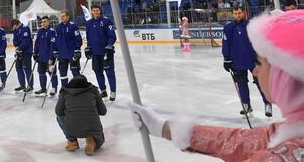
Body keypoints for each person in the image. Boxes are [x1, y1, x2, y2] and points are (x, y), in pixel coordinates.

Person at [129, 9, 304, 161]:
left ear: (285, 76)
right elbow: (243, 142)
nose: (257, 71)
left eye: (262, 63)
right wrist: (164, 127)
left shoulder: (284, 157)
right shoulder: (295, 130)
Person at [222, 6, 271, 117]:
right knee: (241, 84)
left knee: (260, 83)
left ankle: (268, 103)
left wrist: (262, 57)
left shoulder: (251, 26)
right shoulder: (228, 28)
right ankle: (246, 105)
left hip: (253, 60)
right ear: (232, 14)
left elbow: (260, 41)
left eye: (239, 13)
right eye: (235, 13)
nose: (237, 15)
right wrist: (227, 59)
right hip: (237, 61)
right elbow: (226, 44)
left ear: (243, 13)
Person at [55, 75, 107, 156]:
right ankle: (91, 139)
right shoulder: (93, 90)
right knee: (93, 112)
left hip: (72, 129)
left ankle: (72, 141)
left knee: (59, 117)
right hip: (93, 129)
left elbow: (58, 112)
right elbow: (103, 111)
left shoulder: (64, 91)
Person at [85, 5, 117, 101]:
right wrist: (88, 48)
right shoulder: (89, 23)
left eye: (97, 10)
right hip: (95, 53)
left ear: (100, 11)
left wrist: (109, 45)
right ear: (91, 12)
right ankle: (103, 91)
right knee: (97, 71)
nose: (96, 12)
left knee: (109, 72)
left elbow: (112, 36)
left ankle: (113, 91)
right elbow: (89, 37)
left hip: (105, 52)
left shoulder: (106, 21)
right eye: (94, 10)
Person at [53, 10, 83, 87]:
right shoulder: (58, 27)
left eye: (63, 16)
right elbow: (56, 40)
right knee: (62, 73)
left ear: (67, 16)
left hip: (72, 54)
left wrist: (77, 49)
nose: (62, 18)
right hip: (62, 55)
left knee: (75, 73)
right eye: (61, 16)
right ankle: (64, 90)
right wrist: (56, 50)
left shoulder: (72, 26)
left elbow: (78, 39)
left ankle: (78, 89)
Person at [33, 16, 58, 96]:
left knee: (52, 73)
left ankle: (54, 88)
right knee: (41, 73)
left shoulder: (52, 32)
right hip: (41, 57)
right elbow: (37, 43)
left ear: (48, 22)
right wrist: (35, 53)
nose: (43, 23)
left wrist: (51, 58)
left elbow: (52, 46)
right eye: (42, 22)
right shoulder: (40, 31)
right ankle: (43, 88)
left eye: (45, 21)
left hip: (49, 58)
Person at [12, 19, 34, 93]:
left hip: (27, 52)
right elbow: (15, 39)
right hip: (19, 52)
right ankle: (22, 85)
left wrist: (20, 47)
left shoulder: (25, 28)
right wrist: (17, 46)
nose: (13, 28)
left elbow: (26, 40)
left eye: (14, 26)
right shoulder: (15, 30)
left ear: (17, 24)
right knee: (18, 68)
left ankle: (30, 86)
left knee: (27, 69)